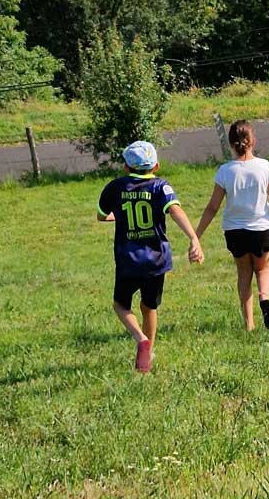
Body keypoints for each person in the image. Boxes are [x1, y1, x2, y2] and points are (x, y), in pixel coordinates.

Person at [97, 140, 204, 373]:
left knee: (120, 305)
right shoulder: (161, 186)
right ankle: (149, 353)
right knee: (149, 307)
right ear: (156, 166)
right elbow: (175, 211)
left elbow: (102, 215)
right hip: (156, 260)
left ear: (125, 167)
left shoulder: (115, 188)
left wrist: (121, 216)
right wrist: (193, 238)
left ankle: (140, 338)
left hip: (128, 260)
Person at [194, 120, 269, 331]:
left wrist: (197, 235)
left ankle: (249, 324)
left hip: (235, 231)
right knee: (263, 268)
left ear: (231, 144)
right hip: (261, 229)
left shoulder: (225, 171)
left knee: (244, 273)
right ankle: (264, 297)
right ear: (253, 141)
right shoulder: (264, 166)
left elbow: (212, 207)